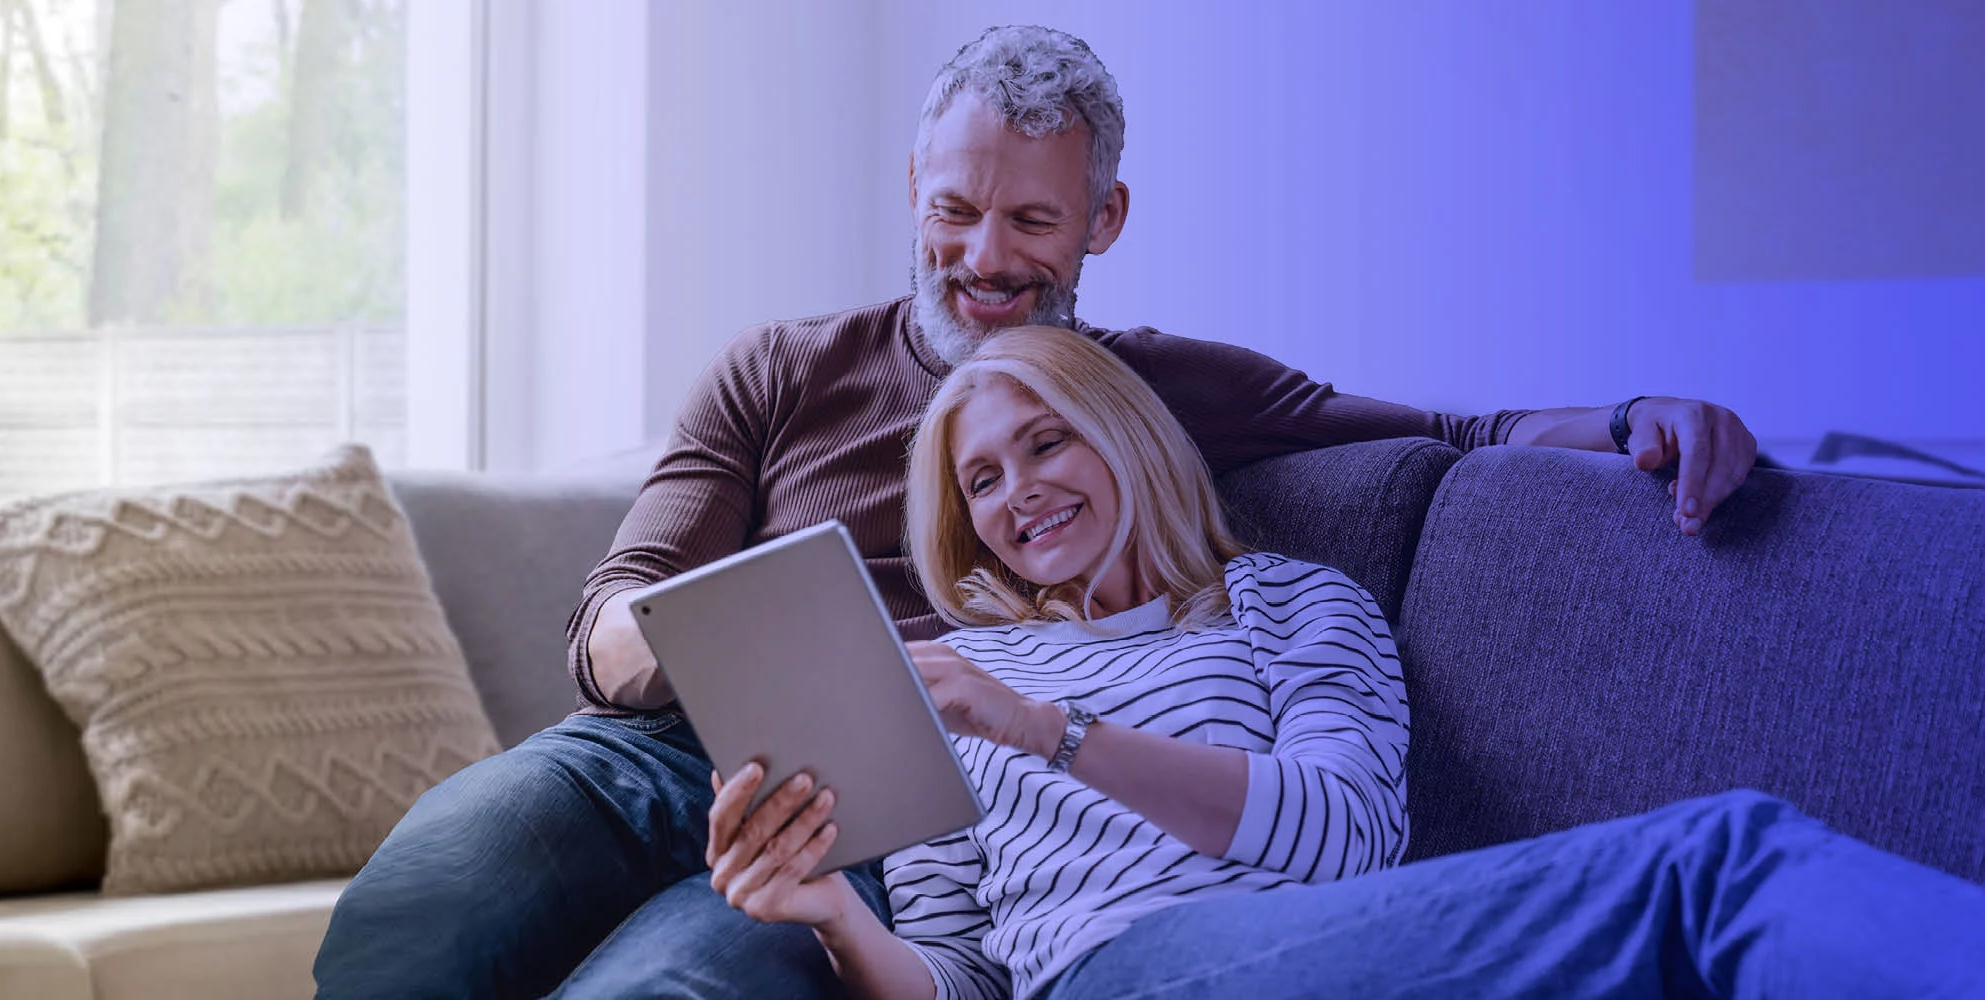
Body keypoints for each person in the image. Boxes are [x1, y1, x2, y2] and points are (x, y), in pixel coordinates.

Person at [314, 25, 1764, 999]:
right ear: (913, 193)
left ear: (1103, 223)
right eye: (955, 212)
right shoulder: (778, 368)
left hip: (877, 802)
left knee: (674, 983)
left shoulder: (1145, 394)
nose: (984, 257)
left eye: (1031, 220)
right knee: (416, 908)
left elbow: (1447, 434)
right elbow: (606, 619)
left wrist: (1641, 414)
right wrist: (707, 645)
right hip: (650, 743)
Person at [704, 324, 1985, 1000]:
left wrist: (1048, 729)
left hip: (1309, 948)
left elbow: (1349, 835)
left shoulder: (1285, 603)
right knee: (1717, 863)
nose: (1018, 493)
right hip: (1111, 976)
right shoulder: (948, 675)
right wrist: (827, 912)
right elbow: (966, 979)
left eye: (1047, 443)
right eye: (981, 479)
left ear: (1125, 437)